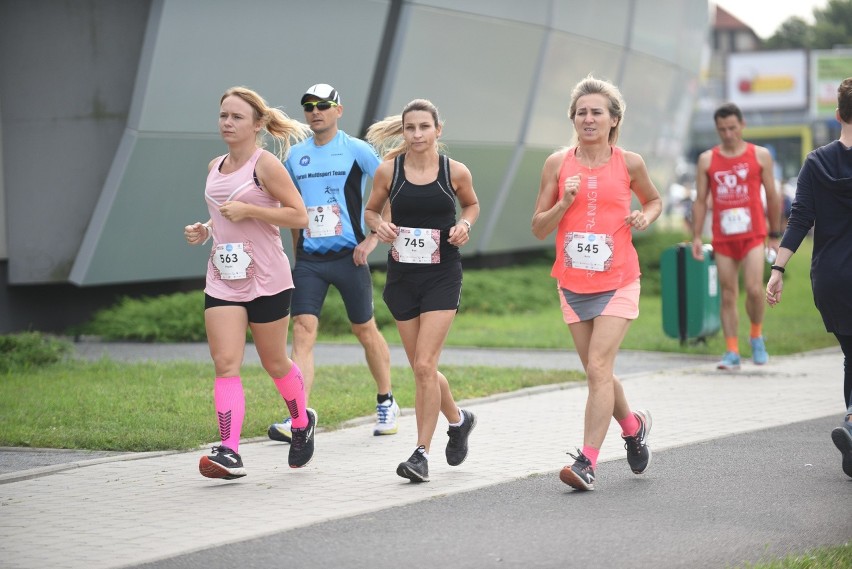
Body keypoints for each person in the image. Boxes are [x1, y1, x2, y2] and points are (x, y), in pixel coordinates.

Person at [531, 75, 662, 491]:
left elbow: (654, 200)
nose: (588, 119)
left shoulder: (630, 163)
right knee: (596, 371)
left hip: (620, 278)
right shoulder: (556, 164)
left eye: (596, 112)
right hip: (572, 283)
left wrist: (646, 216)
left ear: (613, 120)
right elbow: (537, 227)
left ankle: (587, 462)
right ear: (573, 118)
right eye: (581, 112)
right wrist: (564, 203)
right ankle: (632, 425)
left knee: (600, 367)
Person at [184, 86, 315, 479]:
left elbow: (299, 216)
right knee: (225, 364)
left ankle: (301, 422)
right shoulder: (214, 165)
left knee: (275, 362)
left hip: (268, 279)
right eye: (223, 115)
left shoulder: (266, 166)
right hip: (223, 278)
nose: (227, 122)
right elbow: (224, 214)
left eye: (236, 117)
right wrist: (205, 228)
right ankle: (229, 450)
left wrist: (250, 209)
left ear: (257, 124)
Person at [266, 83, 399, 443]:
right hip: (309, 259)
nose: (315, 112)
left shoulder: (356, 150)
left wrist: (373, 238)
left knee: (364, 329)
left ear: (338, 110)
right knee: (303, 332)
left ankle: (386, 400)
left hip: (350, 256)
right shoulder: (294, 157)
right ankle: (299, 416)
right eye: (308, 106)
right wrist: (297, 255)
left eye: (323, 105)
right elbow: (290, 209)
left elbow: (392, 187)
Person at [363, 99, 480, 483]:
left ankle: (420, 453)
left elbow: (472, 205)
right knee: (421, 368)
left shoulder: (455, 172)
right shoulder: (388, 172)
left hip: (442, 276)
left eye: (424, 127)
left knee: (425, 366)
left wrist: (465, 225)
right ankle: (459, 421)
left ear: (437, 130)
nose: (416, 134)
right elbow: (371, 211)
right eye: (410, 128)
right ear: (403, 131)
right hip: (402, 279)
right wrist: (378, 226)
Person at [766, 77, 852, 479]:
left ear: (838, 115)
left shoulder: (816, 162)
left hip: (832, 278)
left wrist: (778, 269)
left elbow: (800, 218)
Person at [692, 102, 782, 371]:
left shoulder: (760, 155)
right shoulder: (707, 160)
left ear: (742, 125)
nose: (728, 134)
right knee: (728, 293)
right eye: (722, 130)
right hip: (723, 238)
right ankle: (732, 350)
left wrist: (775, 234)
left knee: (755, 289)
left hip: (754, 234)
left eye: (732, 128)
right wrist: (696, 235)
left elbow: (773, 196)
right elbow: (700, 200)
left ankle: (756, 335)